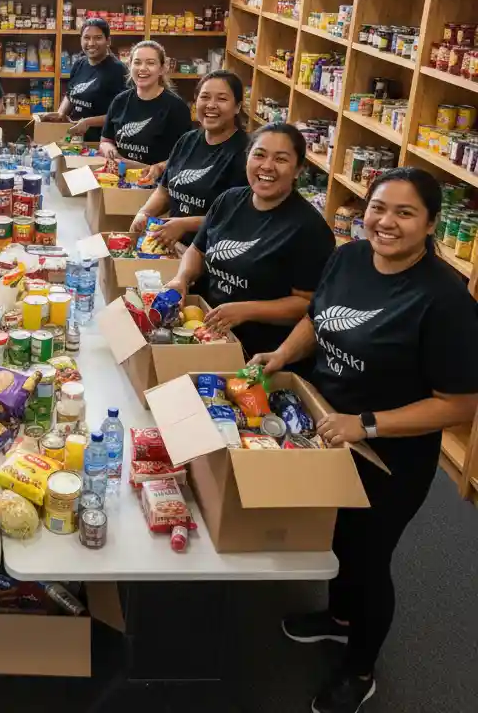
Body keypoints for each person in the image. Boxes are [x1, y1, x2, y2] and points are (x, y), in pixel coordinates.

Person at [249, 167, 478, 713]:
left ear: (431, 225)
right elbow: (319, 317)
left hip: (389, 452)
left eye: (405, 213)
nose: (386, 222)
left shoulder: (446, 301)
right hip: (325, 424)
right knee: (332, 536)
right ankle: (337, 616)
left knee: (368, 556)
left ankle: (360, 666)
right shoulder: (349, 256)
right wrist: (283, 355)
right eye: (379, 207)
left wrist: (367, 423)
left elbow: (460, 404)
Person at [164, 123, 335, 362]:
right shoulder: (228, 201)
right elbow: (197, 250)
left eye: (281, 159)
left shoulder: (309, 229)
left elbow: (307, 305)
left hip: (257, 354)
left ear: (298, 170)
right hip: (207, 331)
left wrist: (245, 310)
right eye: (259, 155)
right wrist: (181, 278)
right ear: (247, 159)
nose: (267, 166)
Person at [130, 70, 249, 249]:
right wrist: (144, 213)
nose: (211, 105)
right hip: (172, 246)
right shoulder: (187, 140)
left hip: (212, 255)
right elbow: (164, 191)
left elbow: (236, 217)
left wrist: (184, 224)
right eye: (205, 97)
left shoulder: (245, 153)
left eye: (222, 99)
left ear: (238, 107)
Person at [100, 40, 192, 178]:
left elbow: (185, 157)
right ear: (129, 66)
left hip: (155, 185)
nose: (142, 68)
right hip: (118, 179)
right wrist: (109, 150)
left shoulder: (176, 108)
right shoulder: (120, 101)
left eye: (150, 63)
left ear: (162, 69)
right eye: (137, 62)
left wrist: (155, 168)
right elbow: (105, 141)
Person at [42, 18, 127, 142]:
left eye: (98, 38)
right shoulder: (79, 63)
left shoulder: (118, 70)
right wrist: (61, 113)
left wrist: (88, 122)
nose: (91, 43)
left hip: (101, 142)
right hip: (73, 138)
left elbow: (122, 113)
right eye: (86, 38)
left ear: (108, 41)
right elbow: (71, 94)